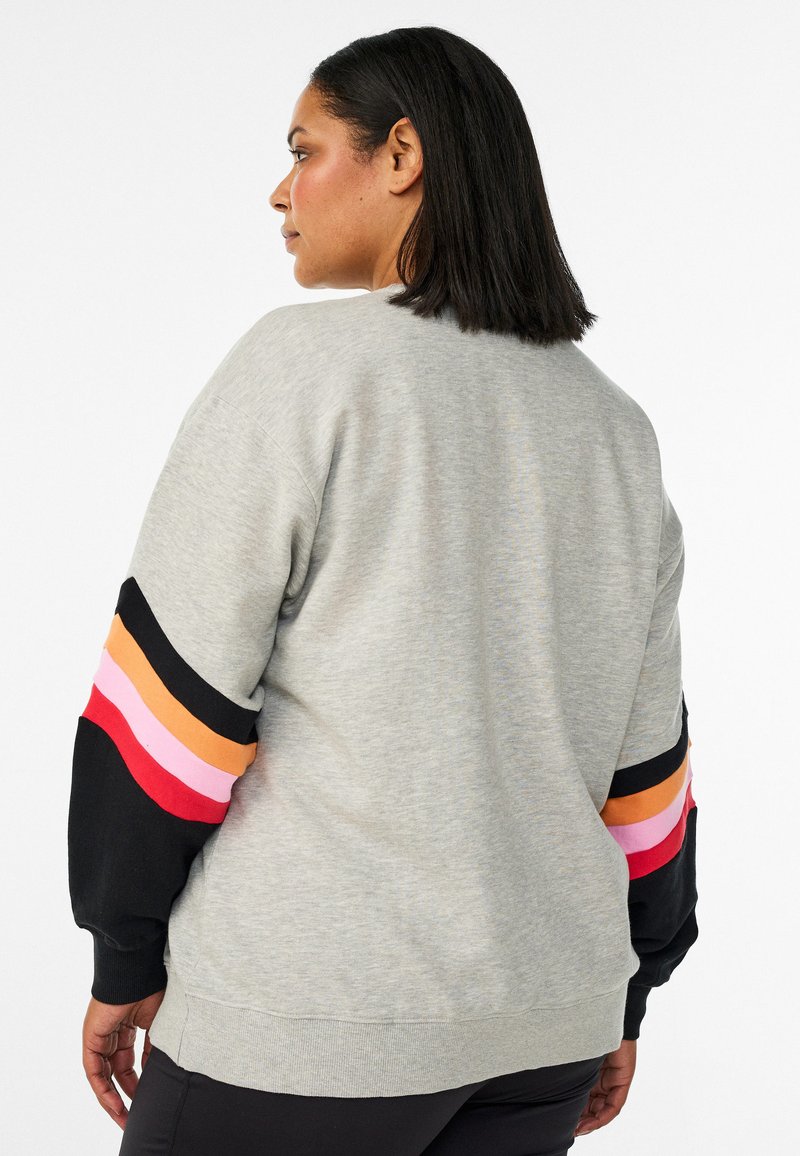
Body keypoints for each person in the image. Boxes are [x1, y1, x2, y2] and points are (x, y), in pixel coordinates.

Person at [67, 24, 699, 1156]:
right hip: (544, 1030)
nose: (280, 191)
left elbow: (172, 714)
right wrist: (627, 990)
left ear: (400, 153)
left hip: (312, 1024)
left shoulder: (302, 370)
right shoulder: (613, 427)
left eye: (304, 149)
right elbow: (646, 769)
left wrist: (123, 952)